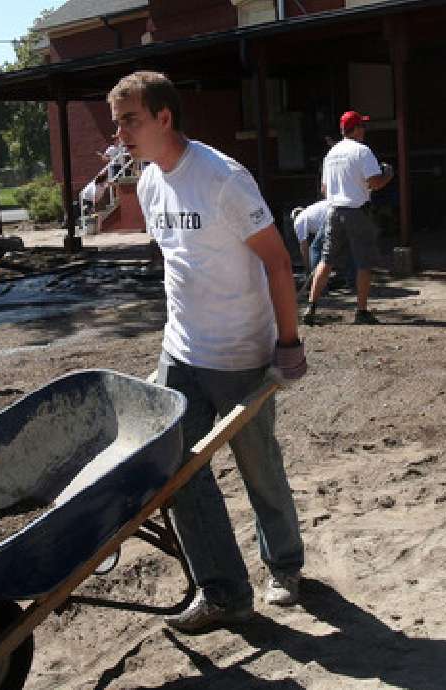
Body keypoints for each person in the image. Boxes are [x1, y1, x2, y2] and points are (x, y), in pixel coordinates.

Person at [108, 70, 308, 633]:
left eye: (130, 119)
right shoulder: (149, 183)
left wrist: (287, 342)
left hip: (243, 353)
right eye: (117, 120)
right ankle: (223, 590)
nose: (119, 131)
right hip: (182, 351)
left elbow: (275, 259)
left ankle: (285, 565)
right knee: (173, 469)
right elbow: (181, 265)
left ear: (163, 117)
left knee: (258, 467)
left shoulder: (222, 178)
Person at [304, 110, 394, 325]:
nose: (364, 130)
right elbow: (375, 182)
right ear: (355, 129)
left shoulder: (331, 154)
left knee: (326, 260)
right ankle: (361, 311)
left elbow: (325, 190)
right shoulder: (362, 151)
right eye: (362, 126)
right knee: (364, 261)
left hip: (333, 211)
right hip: (357, 212)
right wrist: (388, 174)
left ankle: (311, 307)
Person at [290, 199, 333, 275]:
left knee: (315, 248)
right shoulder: (311, 212)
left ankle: (313, 275)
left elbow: (304, 247)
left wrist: (307, 269)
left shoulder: (299, 220)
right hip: (341, 208)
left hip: (331, 217)